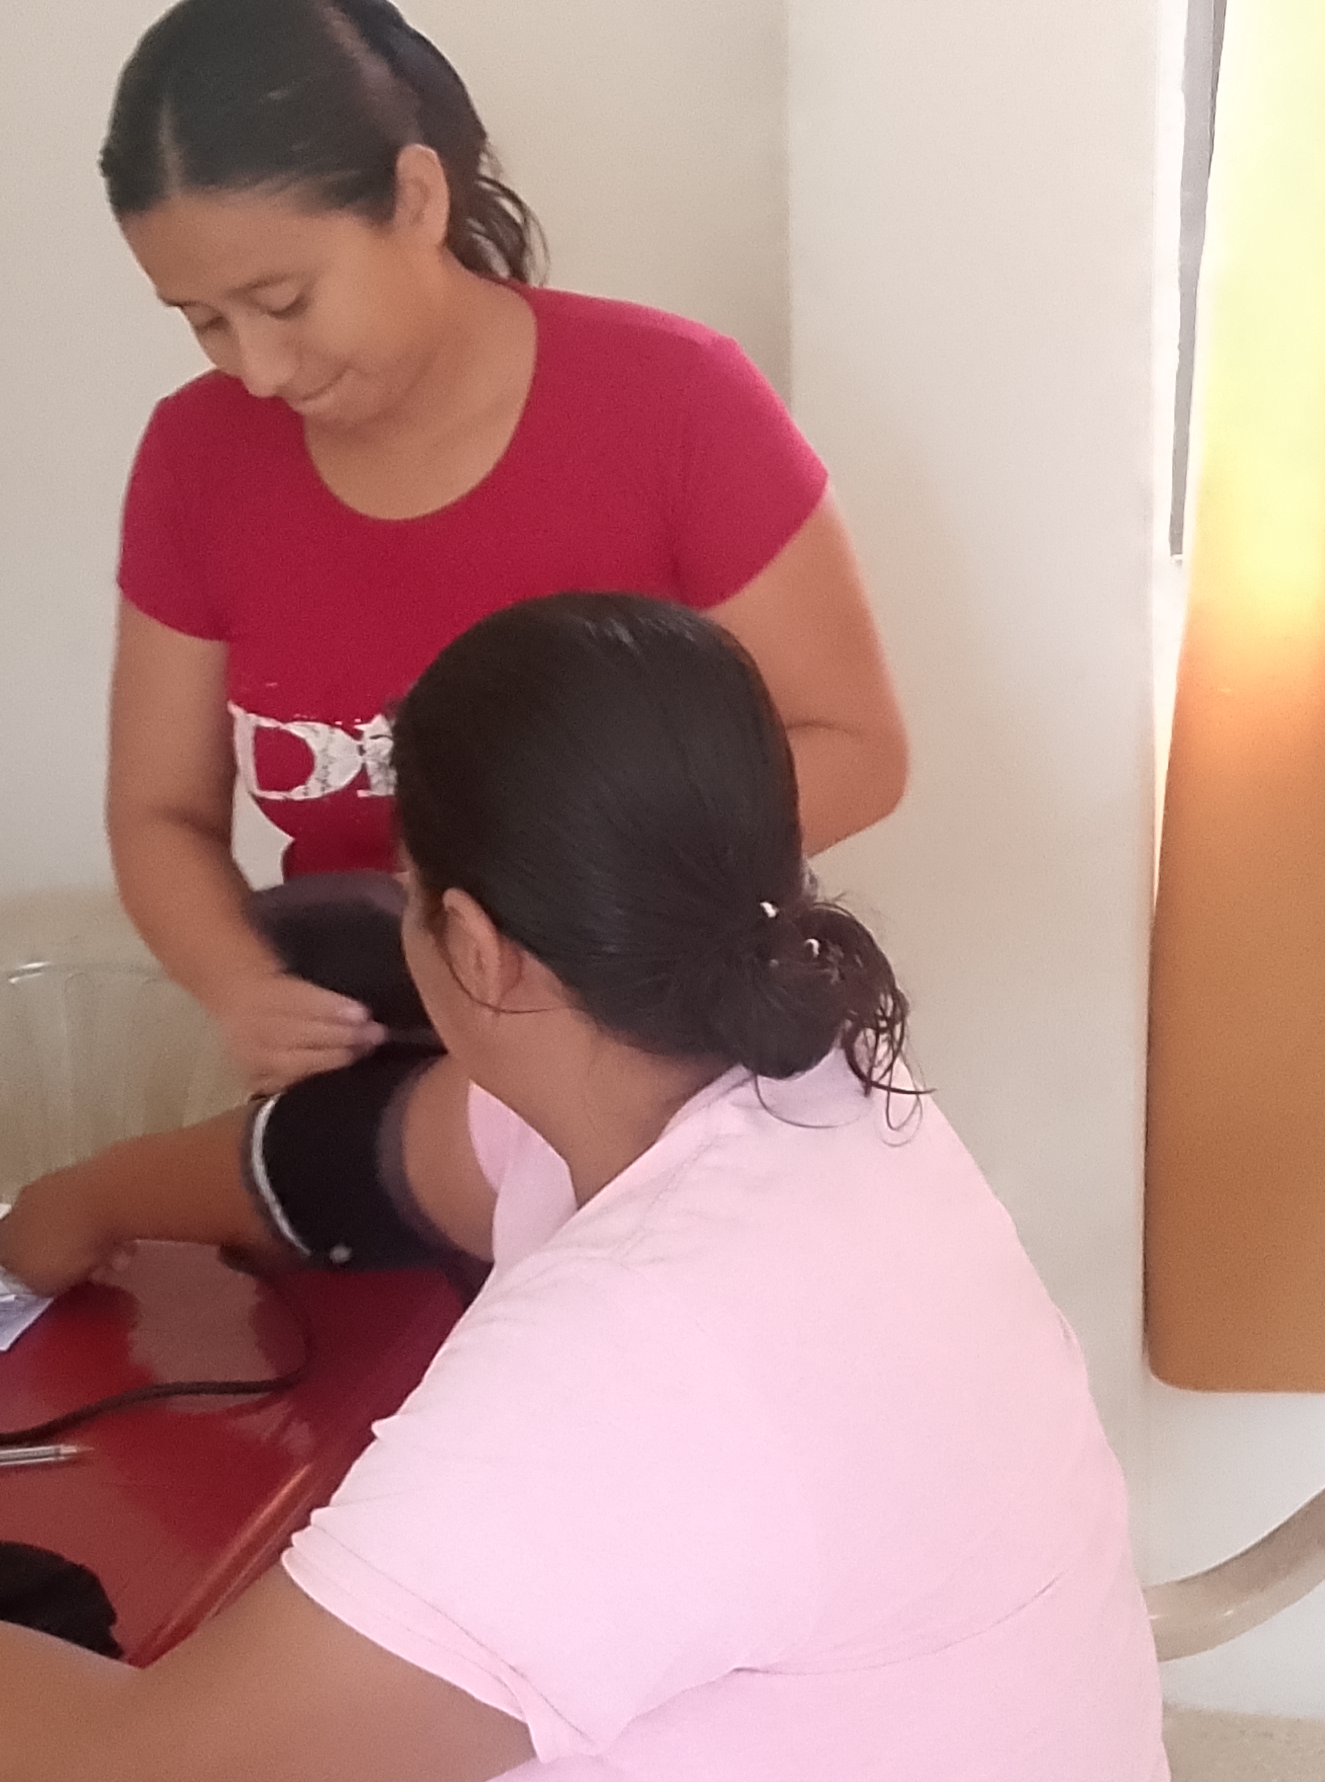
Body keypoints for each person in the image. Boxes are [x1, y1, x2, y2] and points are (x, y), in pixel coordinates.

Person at [0, 595, 1167, 1782]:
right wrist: (89, 1198)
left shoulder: (647, 1342)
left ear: (474, 947)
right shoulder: (799, 1086)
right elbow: (364, 1162)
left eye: (410, 893)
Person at [97, 0, 908, 1094]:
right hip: (373, 1067)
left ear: (415, 198)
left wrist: (562, 895)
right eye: (202, 320)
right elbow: (160, 814)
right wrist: (239, 985)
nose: (259, 368)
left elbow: (856, 751)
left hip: (648, 1062)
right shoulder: (197, 457)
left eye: (283, 301)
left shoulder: (676, 405)